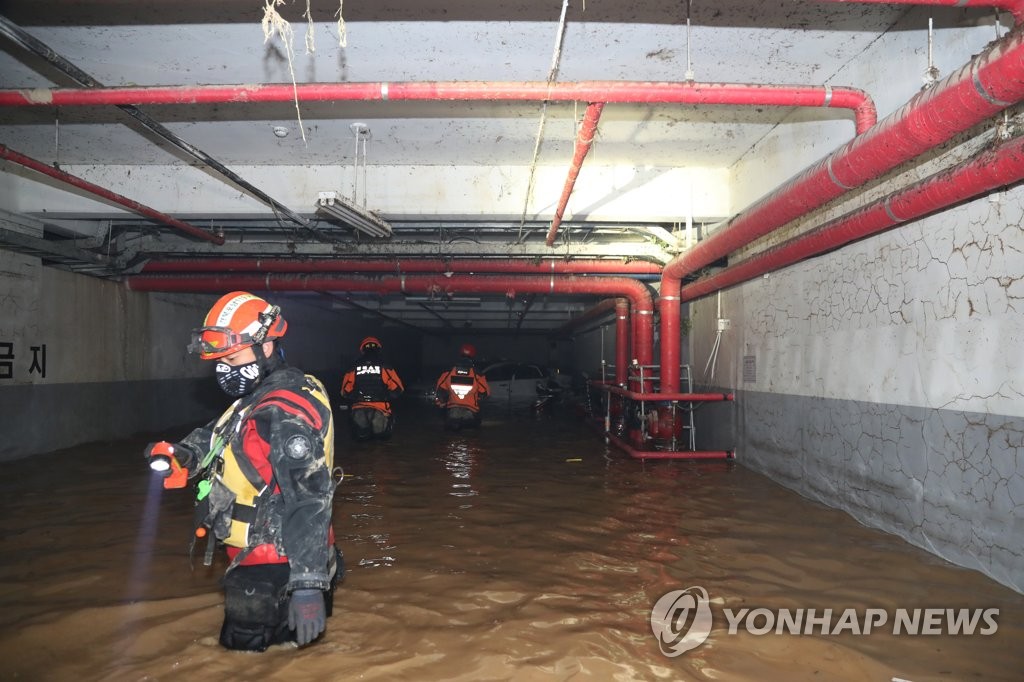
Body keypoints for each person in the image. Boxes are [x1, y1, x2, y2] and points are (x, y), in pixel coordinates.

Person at [145, 291, 341, 652]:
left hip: (276, 567)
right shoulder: (258, 397)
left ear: (266, 346)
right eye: (219, 361)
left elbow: (309, 497)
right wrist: (186, 454)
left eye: (231, 358)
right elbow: (227, 433)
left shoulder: (285, 410)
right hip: (261, 561)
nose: (224, 370)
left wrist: (308, 585)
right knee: (285, 659)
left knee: (241, 665)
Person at [340, 336, 405, 441]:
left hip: (358, 409)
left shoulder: (354, 367)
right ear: (378, 349)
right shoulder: (385, 366)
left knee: (360, 444)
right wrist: (385, 396)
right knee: (381, 444)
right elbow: (398, 389)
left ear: (362, 350)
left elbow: (345, 391)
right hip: (381, 409)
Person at [434, 342, 490, 430]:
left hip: (452, 413)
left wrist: (443, 404)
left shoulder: (448, 372)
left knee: (450, 438)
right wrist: (475, 398)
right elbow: (485, 393)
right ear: (473, 356)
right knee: (473, 440)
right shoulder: (477, 374)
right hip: (471, 413)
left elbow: (440, 392)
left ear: (460, 354)